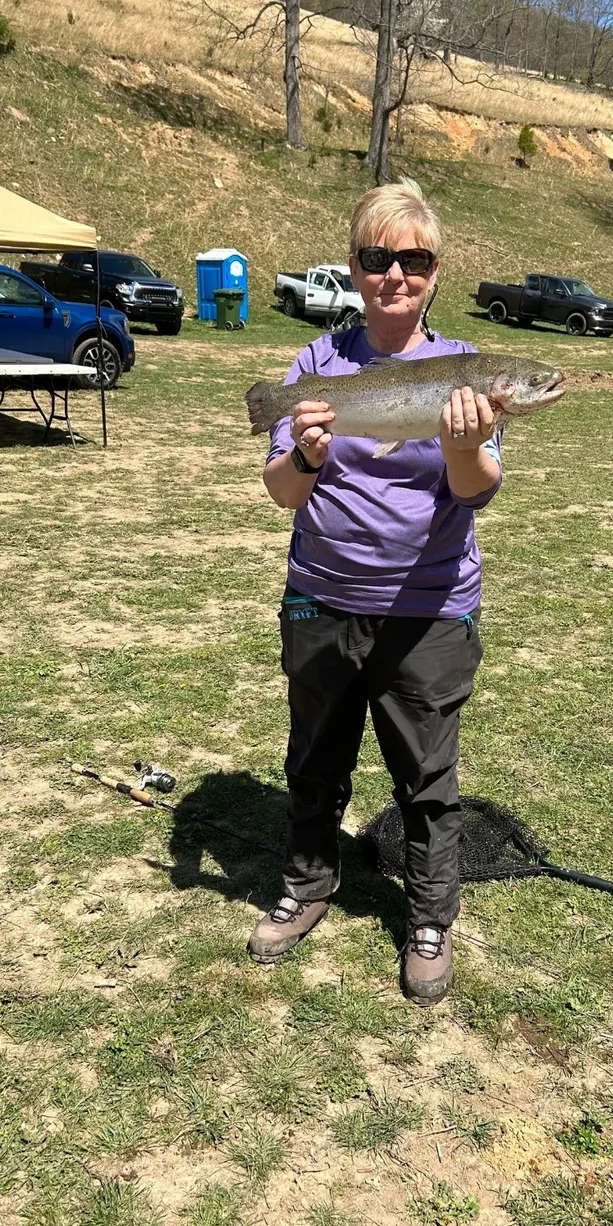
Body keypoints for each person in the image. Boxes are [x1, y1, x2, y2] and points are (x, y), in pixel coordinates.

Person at [247, 178, 503, 1006]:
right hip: (322, 597)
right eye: (377, 257)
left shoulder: (465, 372)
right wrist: (308, 452)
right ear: (355, 268)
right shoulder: (318, 365)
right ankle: (308, 883)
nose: (395, 274)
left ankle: (429, 918)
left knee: (426, 774)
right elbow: (284, 492)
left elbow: (476, 489)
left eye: (414, 259)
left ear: (436, 270)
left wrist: (465, 443)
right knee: (315, 760)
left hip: (428, 611)